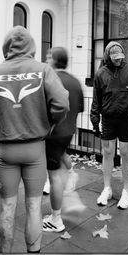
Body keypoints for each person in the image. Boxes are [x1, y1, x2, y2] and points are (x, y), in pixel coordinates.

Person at [0, 26, 69, 253]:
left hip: (6, 150)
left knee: (6, 208)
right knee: (34, 208)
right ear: (32, 46)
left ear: (6, 46)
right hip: (35, 149)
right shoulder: (43, 70)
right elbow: (62, 103)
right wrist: (50, 123)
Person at [90, 41, 128, 209]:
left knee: (125, 153)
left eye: (120, 57)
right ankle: (107, 188)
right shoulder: (100, 73)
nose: (118, 60)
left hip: (125, 118)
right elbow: (96, 99)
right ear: (107, 56)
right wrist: (94, 121)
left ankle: (125, 191)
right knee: (108, 152)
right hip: (108, 119)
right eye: (115, 58)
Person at [42, 47, 84, 232]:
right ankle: (72, 174)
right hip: (68, 133)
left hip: (53, 133)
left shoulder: (51, 79)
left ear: (54, 59)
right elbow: (80, 107)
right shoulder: (75, 81)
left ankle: (56, 219)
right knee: (61, 156)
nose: (46, 58)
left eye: (48, 56)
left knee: (54, 176)